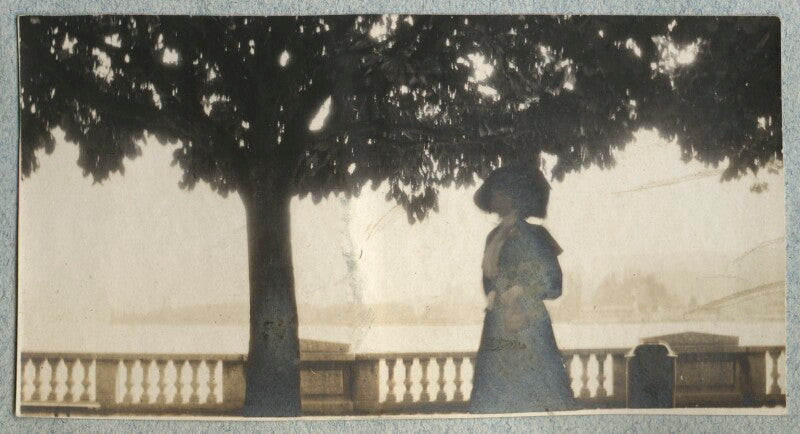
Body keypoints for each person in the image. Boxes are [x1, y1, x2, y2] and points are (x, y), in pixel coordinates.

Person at [469, 164, 578, 414]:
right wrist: (493, 292)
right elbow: (488, 280)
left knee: (538, 397)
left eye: (499, 193)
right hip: (498, 327)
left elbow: (554, 283)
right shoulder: (493, 237)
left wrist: (521, 290)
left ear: (511, 196)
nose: (494, 199)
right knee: (496, 400)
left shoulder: (538, 236)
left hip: (531, 327)